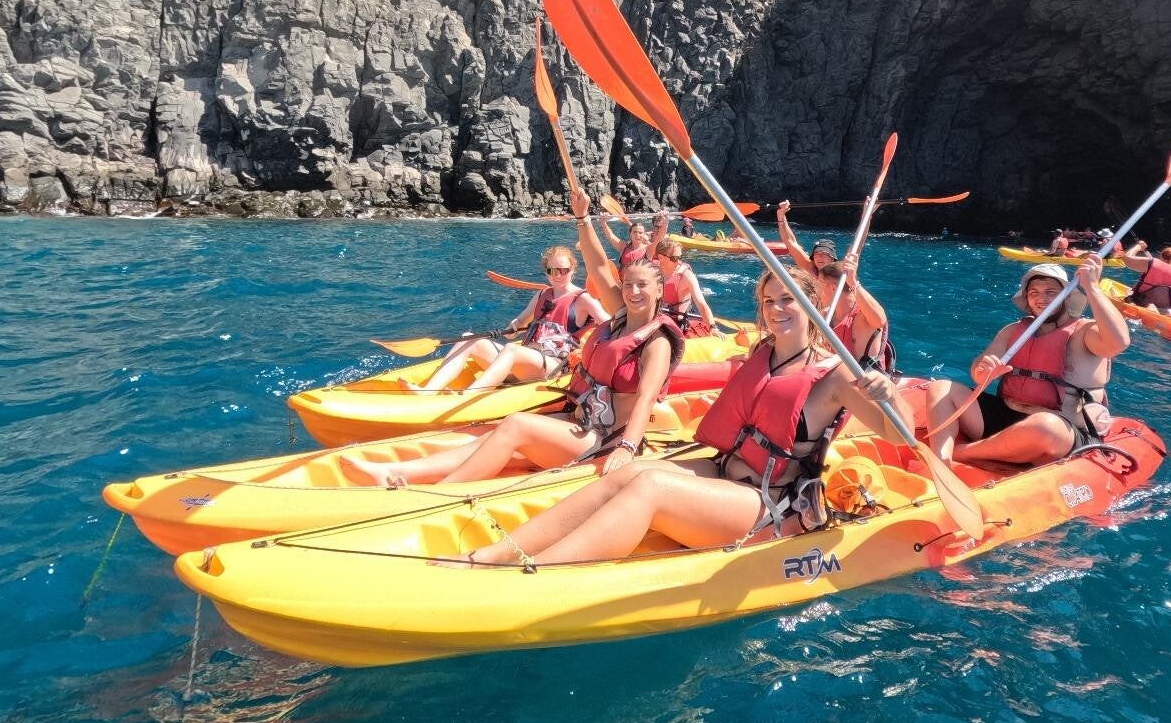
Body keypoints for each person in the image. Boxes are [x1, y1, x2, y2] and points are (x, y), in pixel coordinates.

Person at [461, 267, 910, 566]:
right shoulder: (763, 353)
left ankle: (536, 569)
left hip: (771, 502)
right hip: (723, 472)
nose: (777, 309)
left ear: (810, 306)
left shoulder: (835, 376)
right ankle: (499, 553)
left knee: (651, 487)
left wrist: (887, 392)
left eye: (788, 300)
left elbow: (900, 433)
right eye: (769, 301)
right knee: (626, 472)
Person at [348, 241, 683, 487]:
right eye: (628, 285)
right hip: (578, 422)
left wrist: (625, 448)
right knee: (489, 439)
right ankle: (398, 472)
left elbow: (645, 399)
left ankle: (439, 493)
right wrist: (582, 218)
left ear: (659, 289)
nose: (634, 291)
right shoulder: (618, 323)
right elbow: (598, 266)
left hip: (605, 439)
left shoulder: (656, 343)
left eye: (643, 285)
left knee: (516, 425)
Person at [924, 256, 1130, 466]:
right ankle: (941, 460)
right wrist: (983, 370)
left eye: (1051, 292)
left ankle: (963, 453)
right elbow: (978, 372)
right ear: (1027, 300)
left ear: (1067, 297)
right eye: (1034, 293)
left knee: (1044, 427)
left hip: (1059, 429)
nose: (1042, 298)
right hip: (1005, 419)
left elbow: (1119, 342)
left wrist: (1092, 287)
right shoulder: (1013, 331)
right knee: (941, 387)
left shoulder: (1086, 331)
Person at [407, 244, 609, 393]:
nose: (557, 275)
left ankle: (467, 397)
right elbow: (518, 324)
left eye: (563, 270)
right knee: (470, 337)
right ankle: (428, 391)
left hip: (552, 366)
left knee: (512, 350)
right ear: (546, 272)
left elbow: (611, 323)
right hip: (525, 361)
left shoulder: (583, 299)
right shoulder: (541, 295)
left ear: (573, 270)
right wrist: (514, 326)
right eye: (551, 270)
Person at [816, 256, 893, 370]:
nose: (815, 291)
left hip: (863, 383)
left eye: (818, 285)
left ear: (833, 288)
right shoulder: (824, 316)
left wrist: (853, 282)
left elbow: (880, 321)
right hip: (833, 380)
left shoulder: (862, 315)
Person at [654, 237, 718, 336]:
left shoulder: (686, 276)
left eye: (680, 257)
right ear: (661, 257)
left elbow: (701, 304)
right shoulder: (652, 270)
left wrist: (712, 327)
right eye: (675, 258)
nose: (679, 261)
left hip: (676, 322)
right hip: (656, 318)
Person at [775, 201, 839, 275]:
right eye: (816, 253)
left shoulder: (841, 274)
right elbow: (791, 242)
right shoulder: (809, 267)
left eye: (824, 253)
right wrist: (781, 216)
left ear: (832, 258)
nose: (819, 257)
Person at [1122, 244, 1171, 314]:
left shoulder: (1150, 263)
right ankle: (1158, 310)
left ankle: (1151, 307)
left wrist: (1138, 247)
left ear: (1161, 256)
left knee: (1130, 291)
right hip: (1165, 310)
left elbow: (1127, 258)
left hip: (1140, 303)